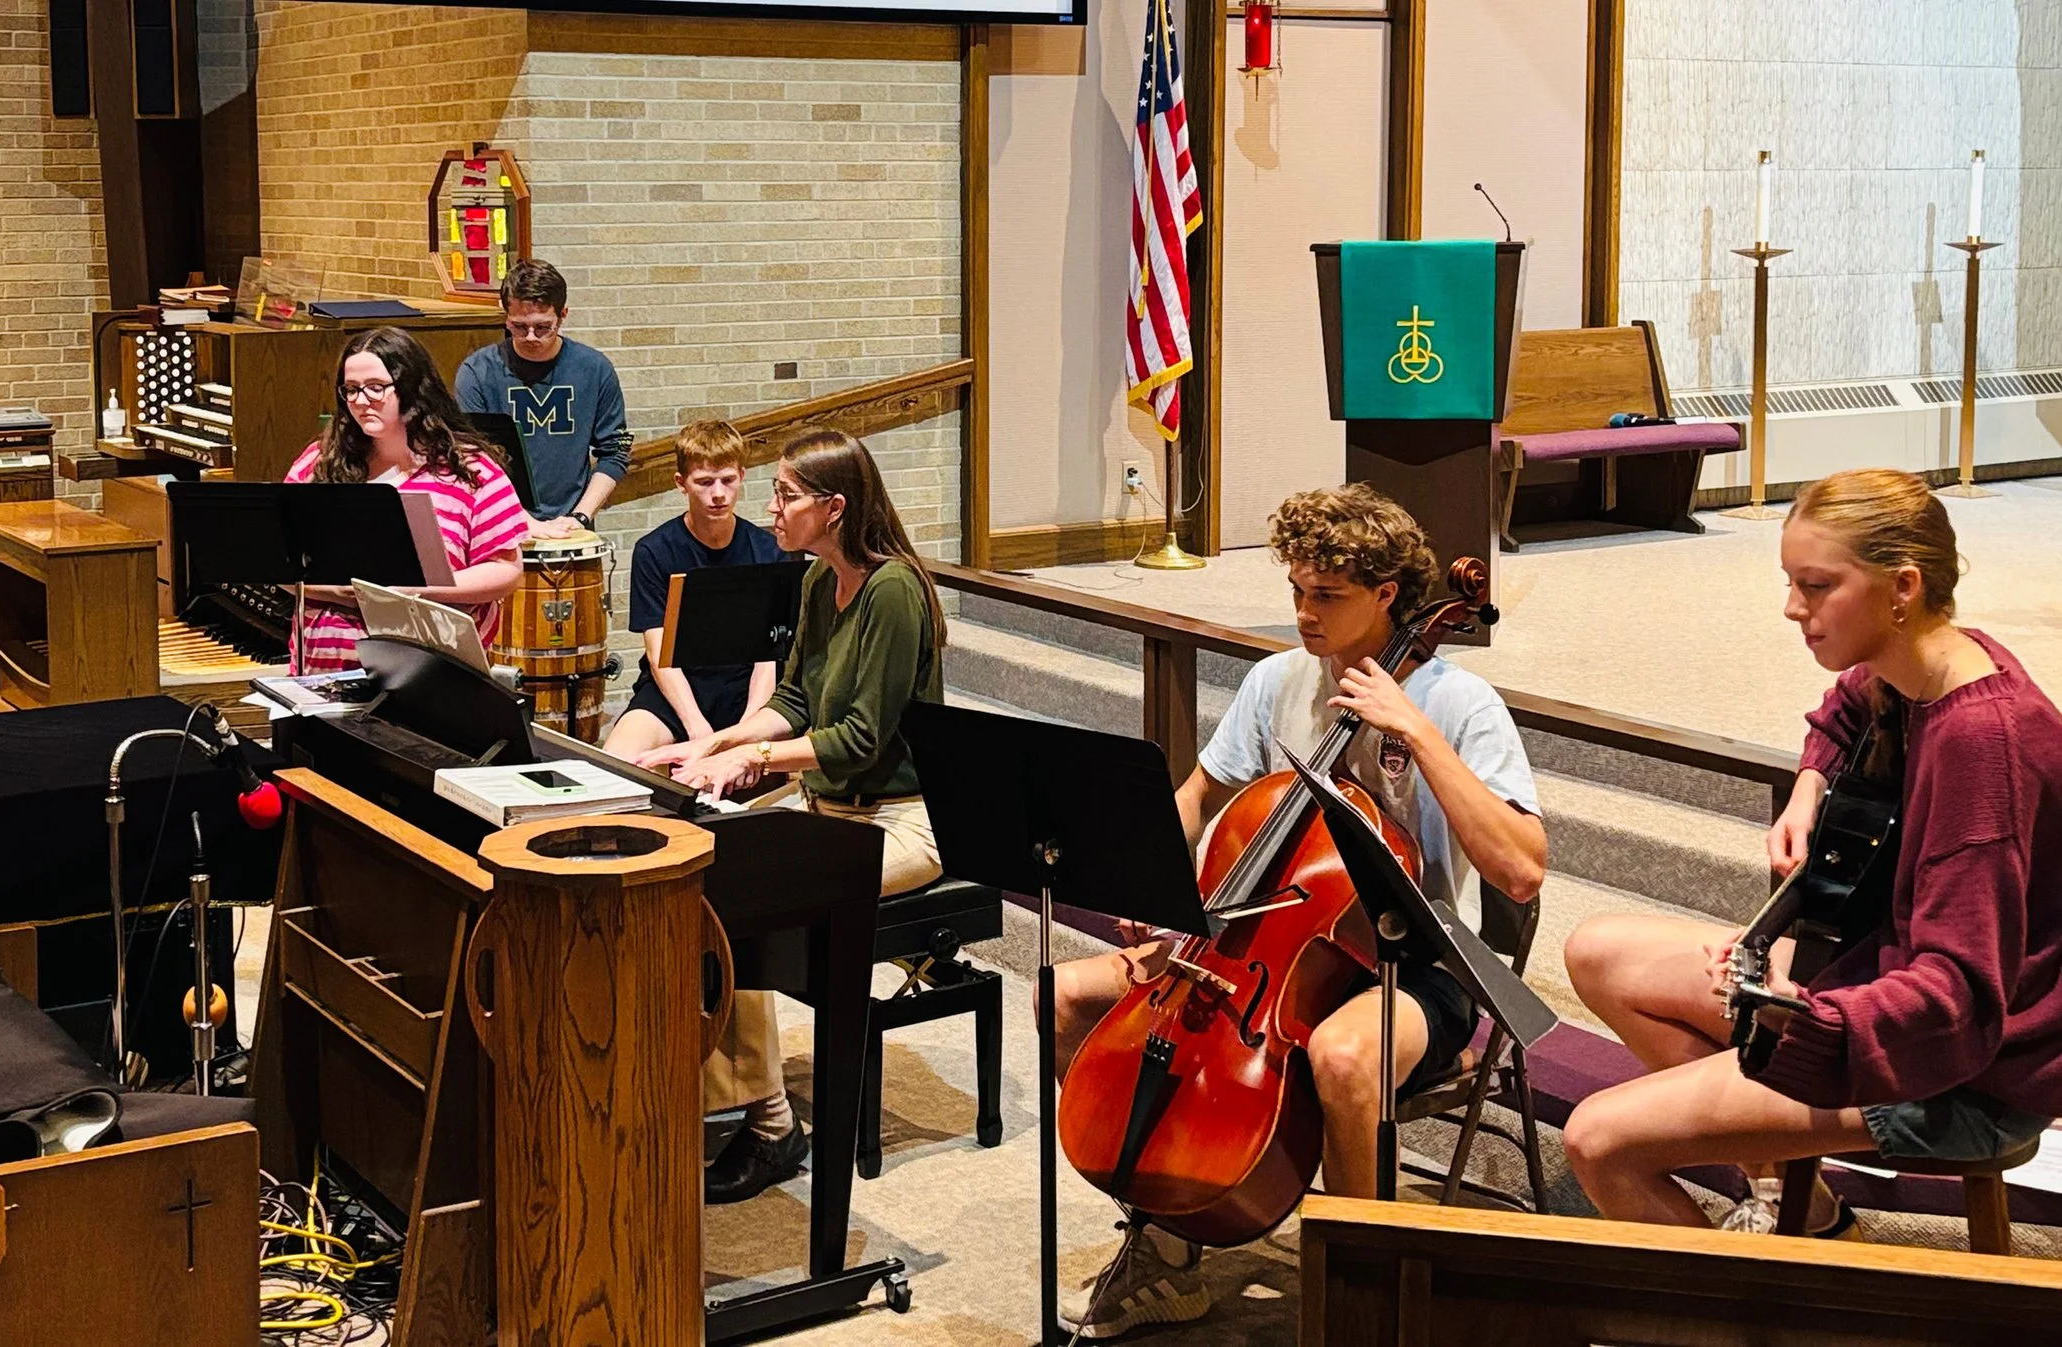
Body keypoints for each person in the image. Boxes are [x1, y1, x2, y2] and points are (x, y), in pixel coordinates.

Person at [1051, 483, 1546, 1340]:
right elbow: (1203, 794)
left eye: (1328, 595)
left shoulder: (1461, 705)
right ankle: (1166, 1231)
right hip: (1260, 949)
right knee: (1064, 992)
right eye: (1296, 590)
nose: (1305, 613)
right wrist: (1152, 886)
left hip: (1417, 963)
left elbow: (1522, 869)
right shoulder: (1277, 678)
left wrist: (1415, 734)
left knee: (1345, 1057)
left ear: (1389, 596)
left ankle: (1363, 1292)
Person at [1560, 468, 2062, 1235]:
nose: (1794, 608)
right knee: (1599, 951)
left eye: (1817, 585)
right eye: (1792, 581)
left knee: (1598, 1141)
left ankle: (1766, 1313)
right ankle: (1811, 1218)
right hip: (1886, 990)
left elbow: (1959, 994)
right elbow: (1844, 706)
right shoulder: (1926, 664)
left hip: (1967, 1071)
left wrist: (1814, 1021)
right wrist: (1808, 785)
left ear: (1903, 585)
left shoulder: (1981, 742)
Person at [634, 427, 945, 1204]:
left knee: (742, 892)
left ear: (834, 508)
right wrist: (708, 744)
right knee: (694, 862)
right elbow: (798, 701)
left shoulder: (894, 591)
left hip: (904, 819)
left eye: (785, 495)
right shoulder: (815, 582)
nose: (769, 508)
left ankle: (772, 1123)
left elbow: (862, 738)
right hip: (829, 805)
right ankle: (719, 1095)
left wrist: (754, 762)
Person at [283, 327, 531, 673]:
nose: (360, 400)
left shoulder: (470, 470)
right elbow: (280, 561)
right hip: (326, 668)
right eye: (351, 390)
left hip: (431, 674)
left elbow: (506, 571)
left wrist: (415, 590)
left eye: (375, 387)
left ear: (412, 388)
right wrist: (342, 591)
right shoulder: (318, 462)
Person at [600, 419, 786, 760]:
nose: (718, 494)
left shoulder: (770, 550)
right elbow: (660, 657)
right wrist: (697, 728)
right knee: (617, 760)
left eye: (728, 480)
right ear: (681, 483)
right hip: (676, 690)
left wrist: (746, 731)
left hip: (746, 689)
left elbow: (768, 658)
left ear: (742, 476)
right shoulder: (654, 550)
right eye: (704, 482)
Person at [454, 259, 632, 539]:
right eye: (519, 326)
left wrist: (580, 516)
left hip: (572, 524)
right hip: (498, 525)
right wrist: (524, 521)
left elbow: (615, 451)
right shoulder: (477, 372)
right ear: (506, 317)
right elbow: (474, 460)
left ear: (563, 315)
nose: (530, 337)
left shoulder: (594, 369)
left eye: (543, 327)